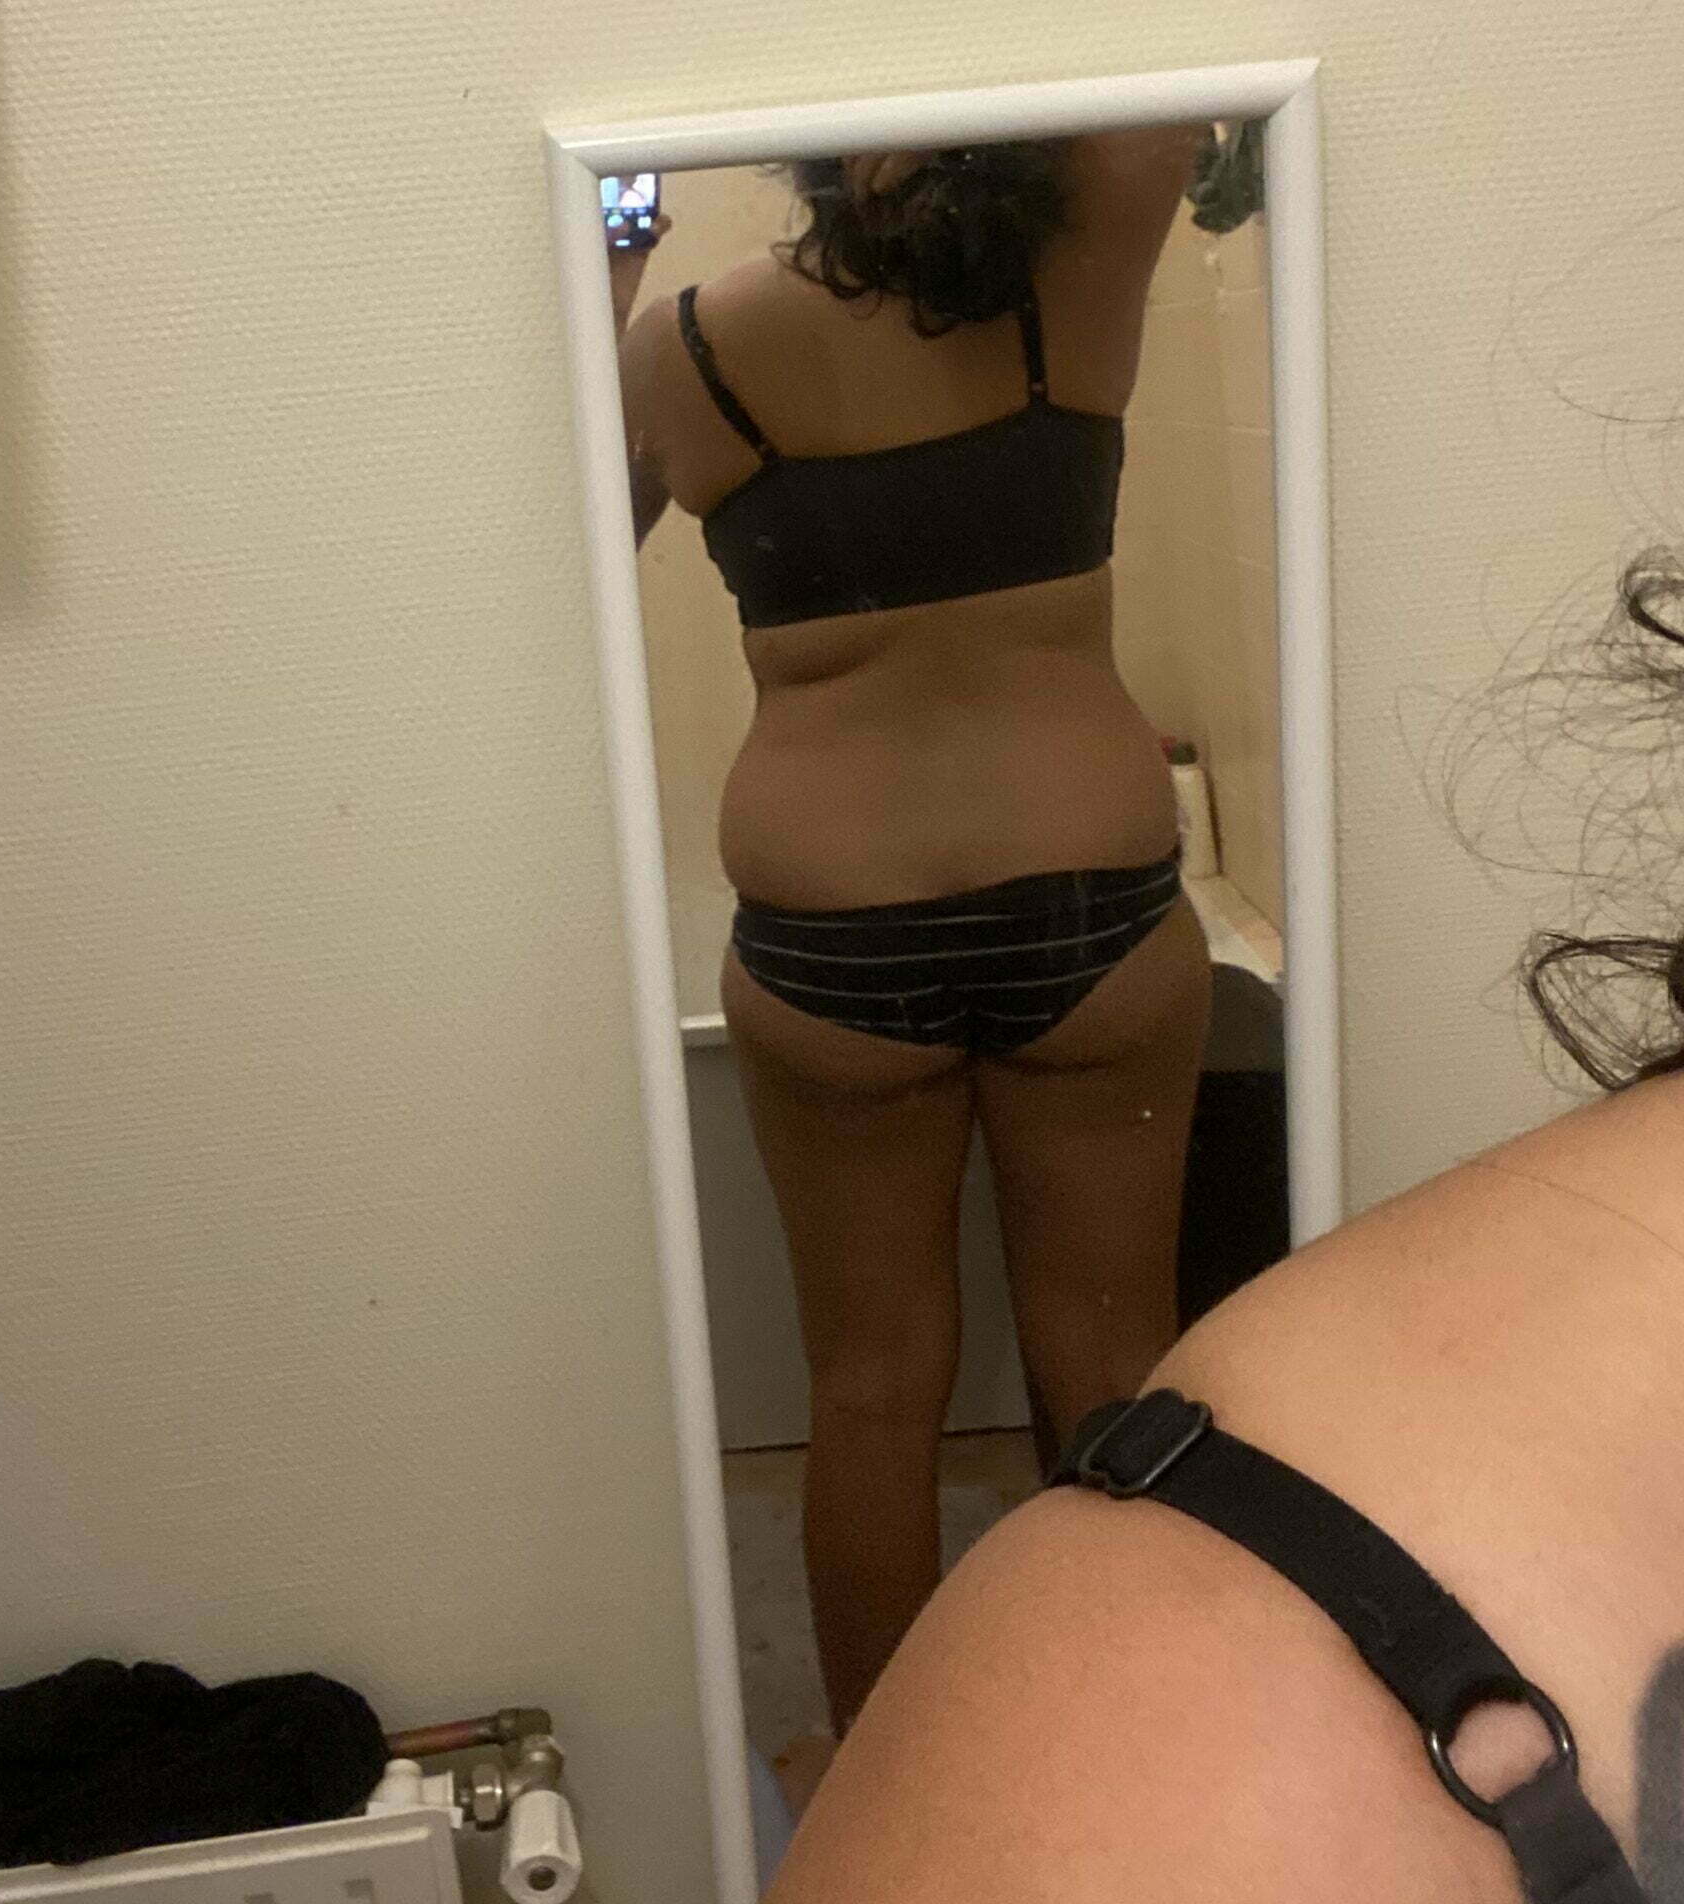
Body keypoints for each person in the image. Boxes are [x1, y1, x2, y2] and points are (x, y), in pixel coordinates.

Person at [751, 587, 1684, 1891]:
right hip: (1078, 864)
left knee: (873, 1376)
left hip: (833, 884)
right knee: (1119, 1363)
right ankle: (1095, 1718)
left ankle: (875, 1771)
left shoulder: (686, 418)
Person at [611, 128, 1217, 1747]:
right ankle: (1144, 1767)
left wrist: (615, 239)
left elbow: (560, 547)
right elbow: (1155, 87)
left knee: (872, 1389)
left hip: (834, 930)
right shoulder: (1081, 265)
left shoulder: (686, 342)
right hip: (1086, 893)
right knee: (1115, 1359)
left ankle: (891, 1808)